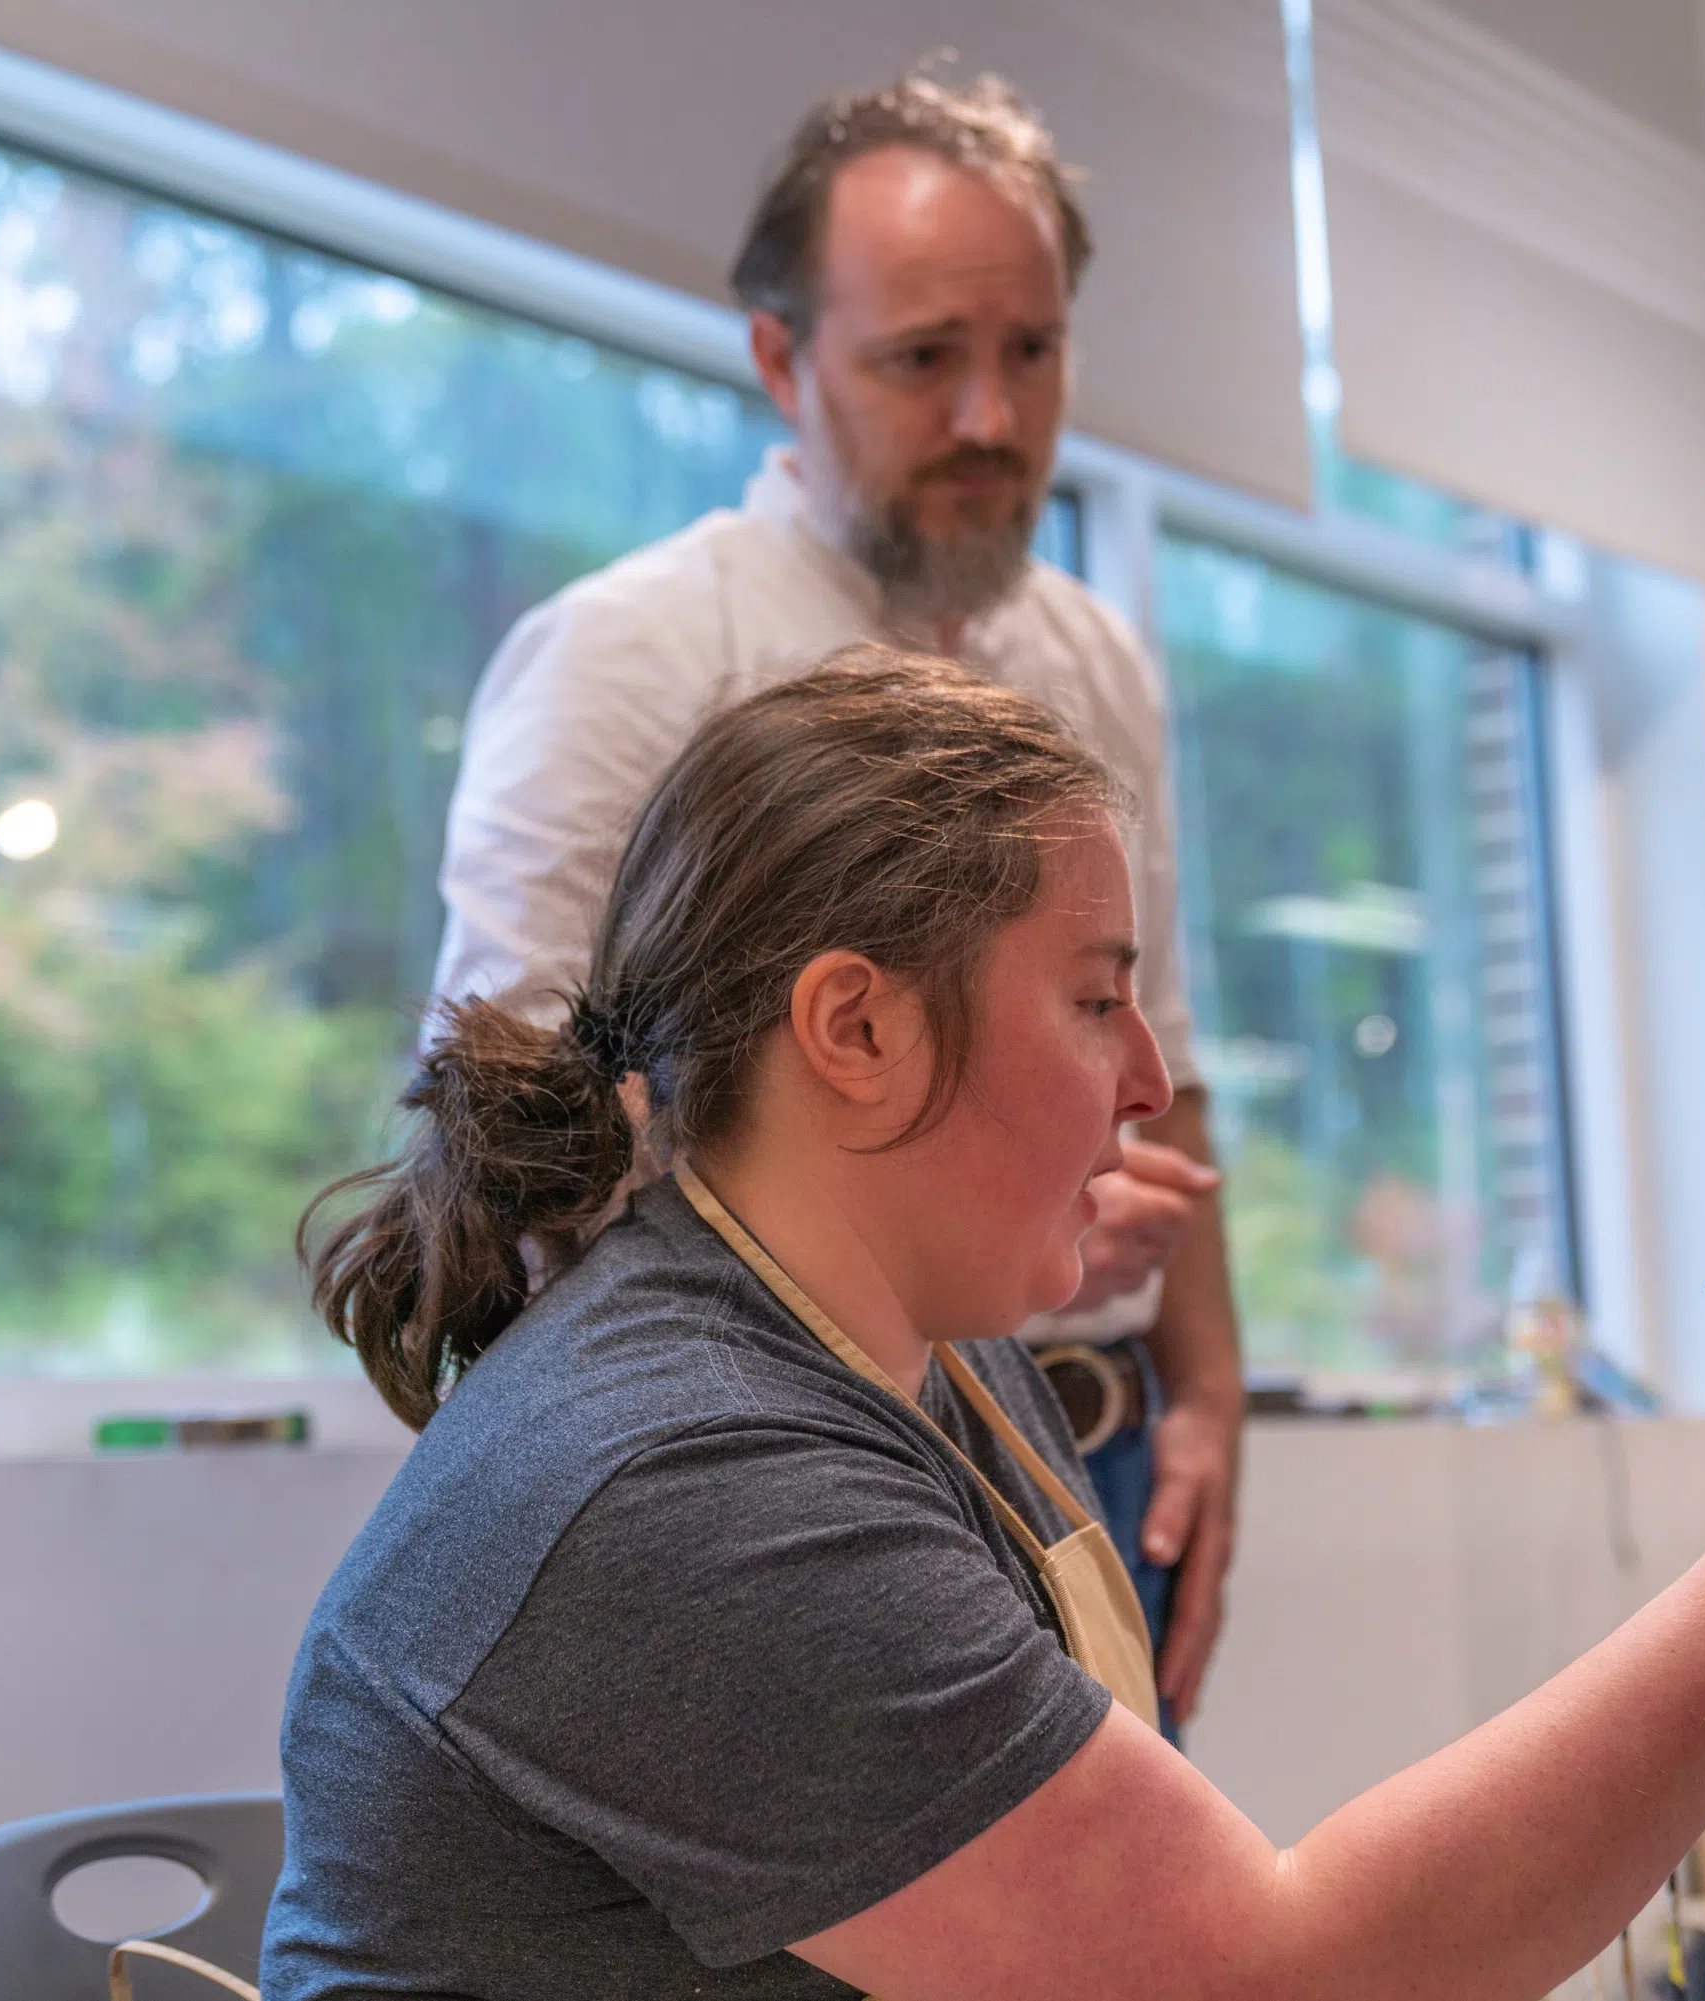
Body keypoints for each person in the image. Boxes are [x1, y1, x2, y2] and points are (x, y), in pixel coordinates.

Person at [266, 653, 1705, 2001]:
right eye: (1095, 1000)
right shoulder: (684, 1484)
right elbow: (1279, 1974)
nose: (1154, 1084)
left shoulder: (933, 1357)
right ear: (854, 1026)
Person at [425, 72, 1239, 1718]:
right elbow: (511, 1118)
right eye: (923, 359)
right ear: (782, 362)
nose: (993, 422)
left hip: (1095, 1437)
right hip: (787, 1444)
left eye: (1033, 353)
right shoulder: (630, 655)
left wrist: (1213, 1385)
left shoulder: (1090, 659)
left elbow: (1163, 1058)